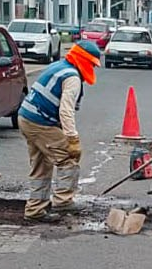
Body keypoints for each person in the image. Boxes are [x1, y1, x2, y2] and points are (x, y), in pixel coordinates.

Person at [17, 40, 102, 222]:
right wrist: (72, 139)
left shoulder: (59, 66)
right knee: (68, 157)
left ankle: (35, 210)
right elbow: (65, 110)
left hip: (26, 118)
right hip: (40, 121)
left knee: (41, 164)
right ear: (85, 60)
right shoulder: (72, 77)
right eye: (92, 64)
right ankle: (63, 201)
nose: (93, 68)